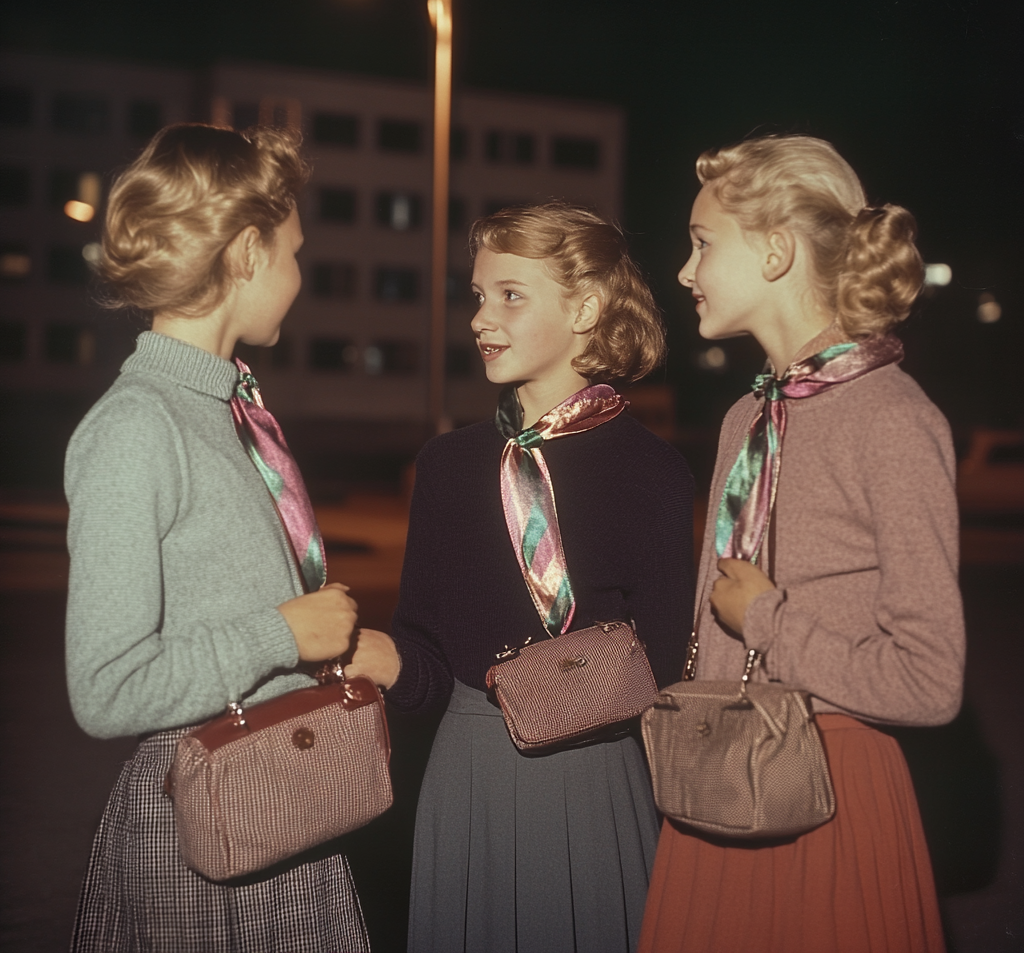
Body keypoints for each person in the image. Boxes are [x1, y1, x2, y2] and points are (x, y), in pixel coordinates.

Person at [638, 135, 964, 953]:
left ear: (776, 251)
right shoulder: (745, 418)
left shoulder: (894, 420)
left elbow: (931, 682)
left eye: (704, 243)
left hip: (828, 792)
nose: (685, 269)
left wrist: (770, 622)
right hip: (715, 777)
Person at [348, 202, 695, 953]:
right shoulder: (445, 466)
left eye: (510, 294)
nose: (481, 317)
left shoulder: (654, 473)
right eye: (477, 295)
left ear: (586, 308)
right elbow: (429, 659)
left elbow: (667, 665)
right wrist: (389, 661)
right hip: (468, 775)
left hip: (595, 776)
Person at [65, 124, 370, 953]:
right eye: (294, 251)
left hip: (280, 799)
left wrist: (322, 649)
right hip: (203, 830)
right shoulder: (137, 426)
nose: (301, 275)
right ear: (245, 253)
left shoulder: (228, 411)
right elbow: (106, 690)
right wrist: (283, 632)